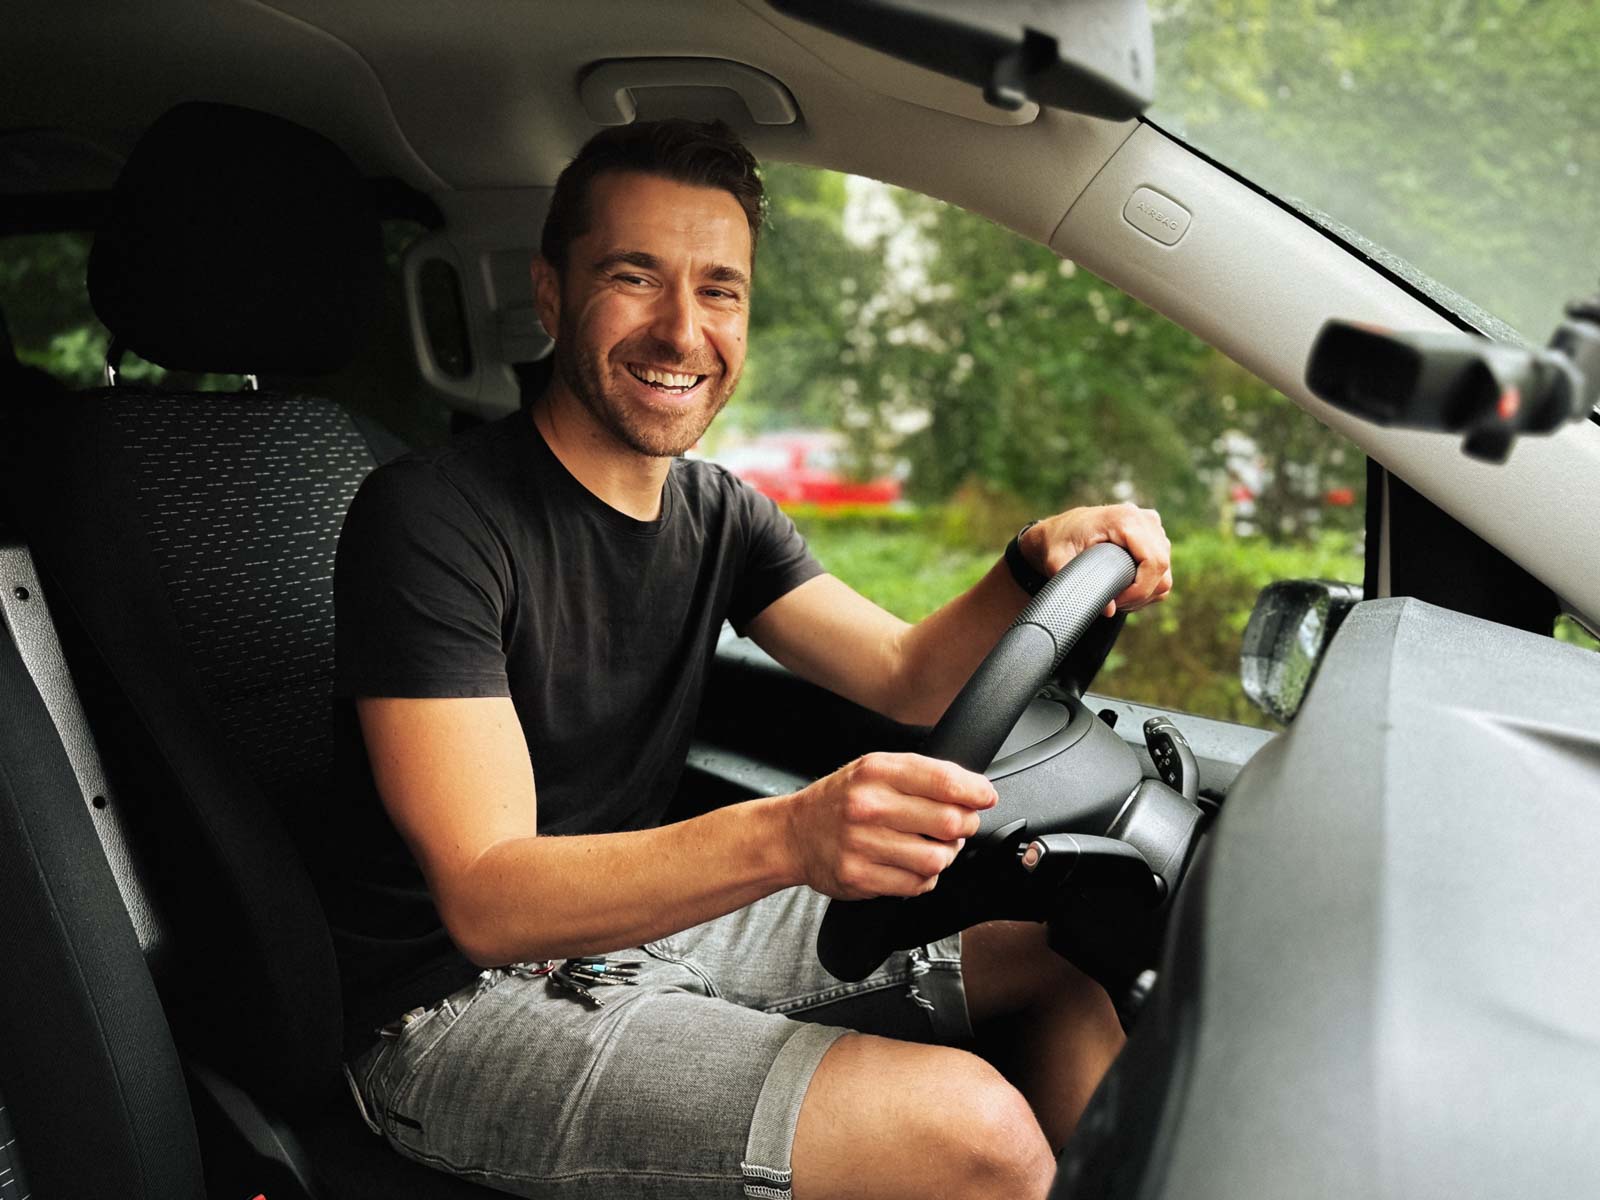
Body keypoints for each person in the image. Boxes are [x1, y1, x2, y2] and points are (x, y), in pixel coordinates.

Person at [330, 118, 1172, 1200]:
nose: (682, 330)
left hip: (642, 929)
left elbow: (907, 673)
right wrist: (793, 834)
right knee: (978, 1134)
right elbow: (490, 897)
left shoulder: (717, 512)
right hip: (451, 1007)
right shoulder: (431, 518)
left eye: (719, 289)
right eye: (634, 276)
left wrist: (1028, 561)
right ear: (549, 294)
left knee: (1060, 953)